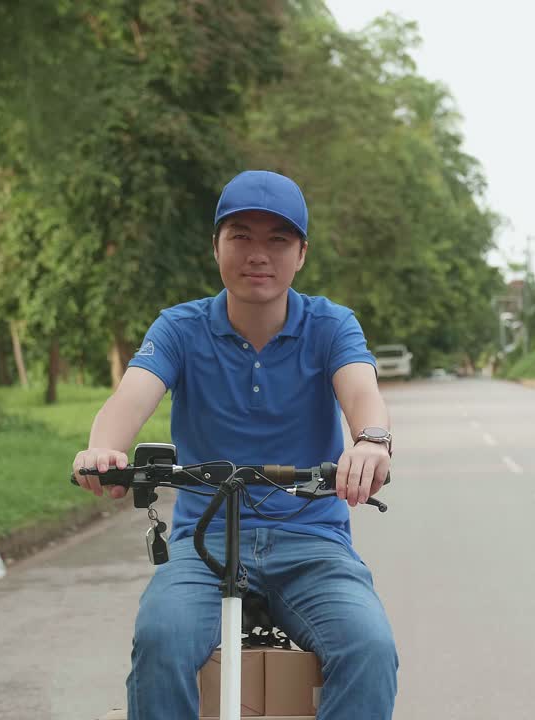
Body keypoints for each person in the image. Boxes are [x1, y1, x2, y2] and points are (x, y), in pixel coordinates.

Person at [71, 170, 399, 719]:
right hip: (206, 544)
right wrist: (103, 448)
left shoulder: (329, 324)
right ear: (216, 246)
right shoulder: (180, 328)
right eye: (240, 236)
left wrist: (371, 442)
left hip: (312, 542)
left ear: (301, 254)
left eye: (277, 240)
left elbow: (362, 390)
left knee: (369, 647)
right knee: (161, 640)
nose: (258, 255)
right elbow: (129, 399)